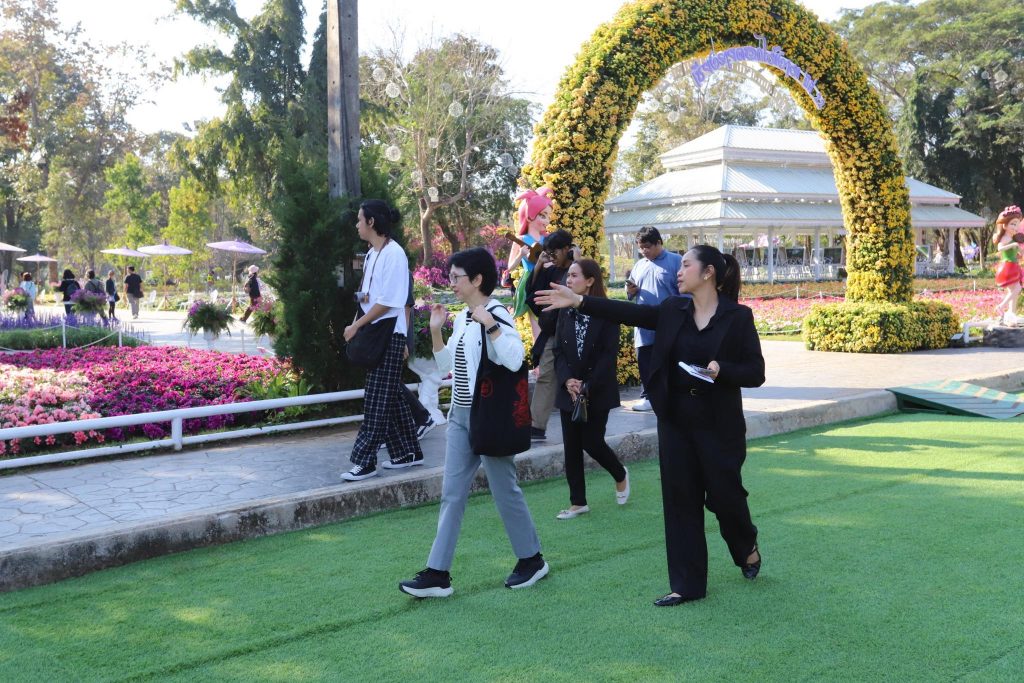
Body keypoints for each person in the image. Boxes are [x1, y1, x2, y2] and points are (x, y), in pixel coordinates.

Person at [536, 244, 765, 607]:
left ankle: (745, 545)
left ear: (708, 273)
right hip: (676, 419)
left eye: (686, 265)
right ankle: (687, 586)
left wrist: (723, 370)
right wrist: (580, 301)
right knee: (680, 500)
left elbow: (755, 372)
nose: (679, 271)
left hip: (719, 424)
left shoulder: (737, 317)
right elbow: (630, 313)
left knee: (726, 499)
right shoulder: (674, 309)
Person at [398, 247, 548, 598]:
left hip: (489, 417)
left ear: (477, 279)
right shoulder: (465, 317)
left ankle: (532, 560)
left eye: (456, 277)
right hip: (461, 418)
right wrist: (436, 331)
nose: (451, 282)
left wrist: (491, 326)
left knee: (504, 490)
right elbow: (447, 366)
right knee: (451, 494)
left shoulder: (495, 314)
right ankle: (438, 573)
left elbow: (515, 360)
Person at [340, 200, 424, 481]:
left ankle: (364, 461)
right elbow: (367, 297)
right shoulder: (371, 254)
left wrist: (357, 326)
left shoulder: (394, 254)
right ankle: (407, 452)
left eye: (359, 219)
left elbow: (389, 302)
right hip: (374, 333)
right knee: (388, 395)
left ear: (371, 222)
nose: (357, 225)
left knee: (376, 400)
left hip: (388, 334)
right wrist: (356, 323)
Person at [552, 259, 629, 520]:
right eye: (568, 276)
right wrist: (568, 381)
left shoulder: (606, 311)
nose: (569, 280)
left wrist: (587, 385)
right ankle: (578, 502)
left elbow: (608, 355)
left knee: (592, 442)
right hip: (569, 389)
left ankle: (620, 473)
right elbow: (558, 351)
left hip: (597, 389)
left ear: (590, 280)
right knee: (571, 446)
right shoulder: (565, 310)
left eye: (574, 276)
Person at [525, 228, 576, 441]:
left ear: (567, 249)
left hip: (575, 333)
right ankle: (536, 426)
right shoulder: (550, 270)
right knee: (546, 375)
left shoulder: (578, 269)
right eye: (549, 253)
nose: (552, 257)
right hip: (553, 332)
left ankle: (583, 418)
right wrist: (539, 264)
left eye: (555, 252)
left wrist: (577, 260)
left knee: (577, 376)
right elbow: (532, 294)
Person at [626, 226, 683, 412]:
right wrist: (630, 291)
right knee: (645, 361)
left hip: (669, 323)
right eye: (641, 247)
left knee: (670, 361)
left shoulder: (676, 261)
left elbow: (685, 293)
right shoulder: (639, 265)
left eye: (647, 247)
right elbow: (630, 293)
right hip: (643, 325)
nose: (644, 251)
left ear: (659, 243)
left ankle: (672, 395)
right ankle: (648, 397)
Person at [508, 187, 553, 333]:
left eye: (548, 216)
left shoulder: (548, 239)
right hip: (532, 282)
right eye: (543, 215)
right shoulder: (520, 239)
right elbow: (510, 268)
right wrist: (520, 255)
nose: (547, 220)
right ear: (529, 216)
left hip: (549, 279)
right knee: (536, 324)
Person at [992, 205, 1023, 324]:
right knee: (1017, 289)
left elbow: (1014, 253)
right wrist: (1013, 245)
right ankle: (1001, 306)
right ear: (1005, 225)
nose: (1015, 227)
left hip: (1013, 266)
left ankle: (1011, 314)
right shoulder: (1005, 238)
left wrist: (1018, 254)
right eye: (1013, 224)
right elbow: (1000, 248)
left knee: (1013, 292)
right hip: (1007, 267)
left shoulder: (1012, 238)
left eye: (1017, 224)